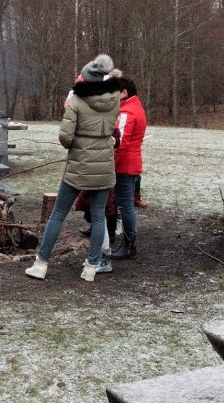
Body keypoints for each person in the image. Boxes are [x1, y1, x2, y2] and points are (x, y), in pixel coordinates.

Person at [25, 54, 120, 283]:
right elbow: (112, 129)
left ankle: (41, 263)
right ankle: (91, 267)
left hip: (79, 164)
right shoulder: (115, 98)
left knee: (58, 214)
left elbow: (65, 138)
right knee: (98, 217)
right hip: (104, 164)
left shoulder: (77, 101)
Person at [110, 76, 148, 260]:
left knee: (125, 206)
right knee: (126, 204)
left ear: (124, 92)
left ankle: (129, 244)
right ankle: (128, 243)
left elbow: (120, 143)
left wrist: (110, 162)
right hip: (130, 163)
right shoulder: (135, 107)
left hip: (125, 165)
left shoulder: (127, 112)